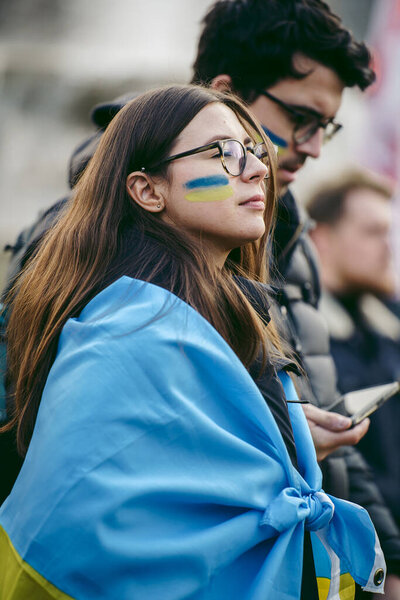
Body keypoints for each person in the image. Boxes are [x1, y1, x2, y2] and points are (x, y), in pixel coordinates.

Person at [1, 0, 400, 594]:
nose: (257, 169)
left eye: (254, 153)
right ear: (146, 189)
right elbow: (90, 500)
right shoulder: (116, 316)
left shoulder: (251, 279)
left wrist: (284, 437)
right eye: (226, 153)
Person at [307, 170, 400, 534]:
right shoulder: (294, 338)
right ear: (323, 239)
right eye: (373, 232)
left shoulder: (388, 325)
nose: (389, 247)